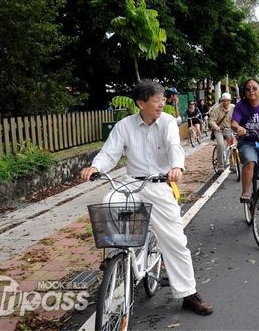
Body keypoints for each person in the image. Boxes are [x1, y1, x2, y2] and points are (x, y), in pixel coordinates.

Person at [80, 80, 213, 315]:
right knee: (110, 201)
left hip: (160, 183)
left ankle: (188, 293)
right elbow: (109, 152)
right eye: (157, 100)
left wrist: (176, 167)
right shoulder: (124, 125)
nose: (162, 104)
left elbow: (174, 146)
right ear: (141, 103)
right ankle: (116, 257)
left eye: (163, 99)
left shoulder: (168, 122)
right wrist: (95, 167)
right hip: (132, 182)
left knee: (175, 240)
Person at [208, 93, 235, 172]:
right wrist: (216, 127)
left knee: (233, 145)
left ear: (230, 101)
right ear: (221, 101)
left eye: (227, 101)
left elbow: (238, 117)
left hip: (229, 129)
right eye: (224, 101)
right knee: (220, 144)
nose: (226, 103)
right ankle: (220, 166)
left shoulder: (234, 108)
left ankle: (233, 165)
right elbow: (211, 120)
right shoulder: (216, 109)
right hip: (219, 130)